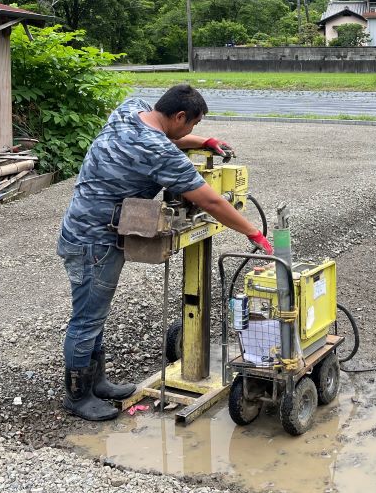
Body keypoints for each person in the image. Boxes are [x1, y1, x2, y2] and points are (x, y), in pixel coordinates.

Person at [57, 84, 271, 421]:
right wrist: (253, 232)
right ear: (179, 116)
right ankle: (78, 395)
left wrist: (202, 142)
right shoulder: (159, 150)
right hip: (94, 242)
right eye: (192, 126)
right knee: (87, 319)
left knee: (94, 312)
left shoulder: (131, 110)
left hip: (81, 228)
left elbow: (164, 138)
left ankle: (97, 382)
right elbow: (210, 201)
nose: (191, 131)